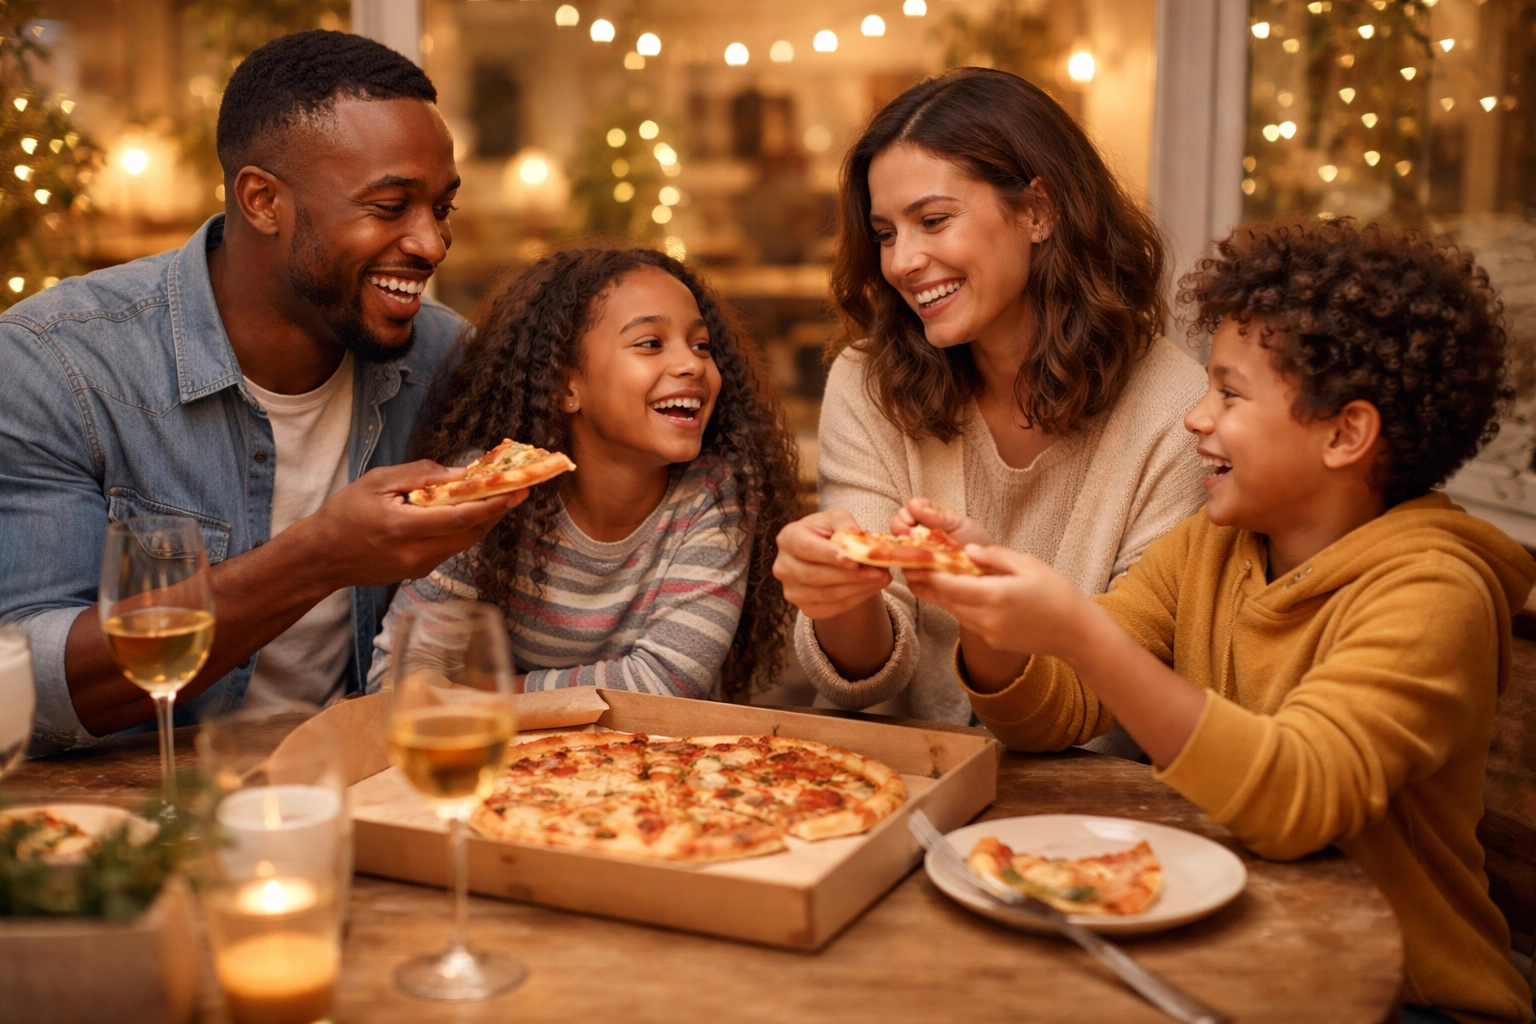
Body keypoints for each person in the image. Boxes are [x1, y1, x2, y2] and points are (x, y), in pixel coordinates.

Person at [912, 220, 1534, 1024]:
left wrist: (1079, 632)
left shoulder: (1431, 590)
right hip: (1237, 959)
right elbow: (1056, 714)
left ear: (1345, 433)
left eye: (1229, 394)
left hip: (1406, 996)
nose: (1194, 419)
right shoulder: (1214, 548)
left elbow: (1295, 799)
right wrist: (984, 611)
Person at [0, 31, 521, 755]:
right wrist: (319, 557)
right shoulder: (56, 365)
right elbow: (24, 681)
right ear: (263, 200)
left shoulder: (449, 361)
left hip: (374, 787)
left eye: (441, 209)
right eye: (391, 206)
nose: (431, 244)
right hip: (140, 816)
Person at [772, 68, 1207, 733]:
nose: (902, 263)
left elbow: (1131, 683)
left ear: (1038, 211)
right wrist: (838, 598)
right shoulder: (869, 381)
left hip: (1088, 804)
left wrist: (988, 609)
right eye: (886, 233)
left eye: (934, 220)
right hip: (897, 785)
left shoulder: (1175, 408)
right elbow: (863, 682)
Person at [369, 248, 800, 701]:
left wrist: (482, 695)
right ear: (564, 386)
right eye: (650, 343)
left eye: (702, 346)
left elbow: (666, 684)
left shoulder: (717, 493)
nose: (693, 364)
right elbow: (397, 674)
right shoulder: (491, 486)